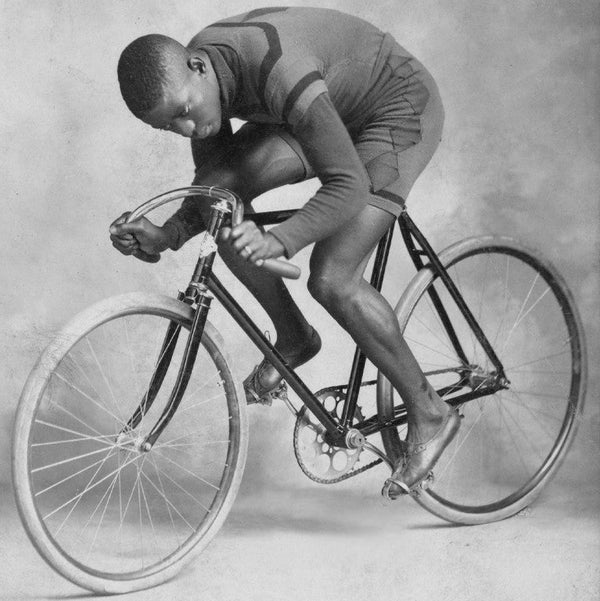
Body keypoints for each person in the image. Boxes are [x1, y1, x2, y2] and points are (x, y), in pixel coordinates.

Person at [109, 6, 460, 497]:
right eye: (171, 127)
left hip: (395, 109)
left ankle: (431, 411)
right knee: (226, 210)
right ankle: (294, 337)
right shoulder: (207, 72)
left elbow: (349, 184)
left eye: (185, 112)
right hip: (327, 107)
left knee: (332, 278)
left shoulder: (277, 70)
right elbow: (215, 187)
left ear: (197, 66)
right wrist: (166, 236)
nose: (187, 130)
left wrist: (281, 239)